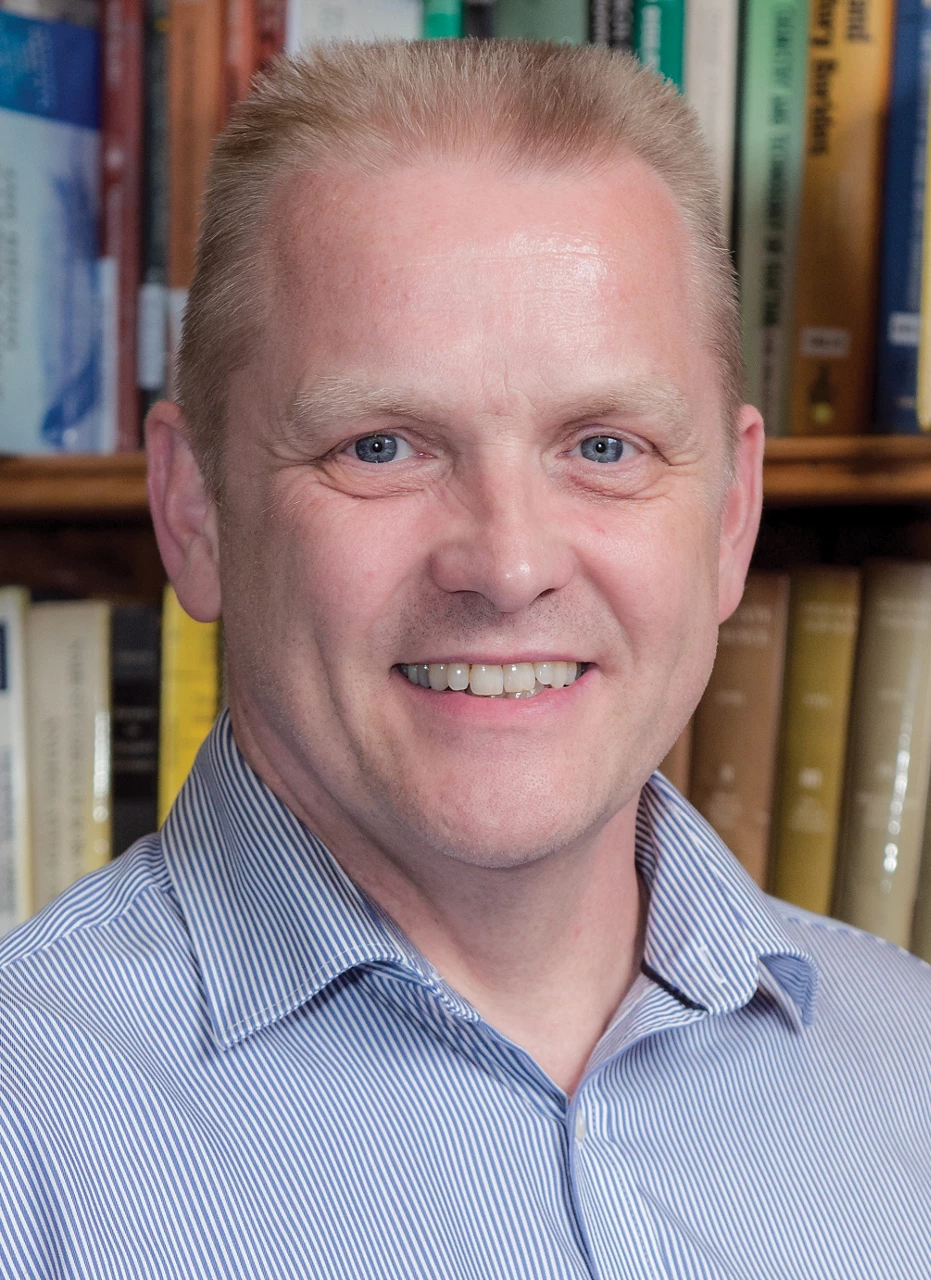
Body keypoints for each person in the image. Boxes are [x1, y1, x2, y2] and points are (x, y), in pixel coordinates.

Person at [2, 39, 930, 1280]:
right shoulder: (30, 1132)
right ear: (195, 511)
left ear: (728, 514)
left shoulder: (912, 1062)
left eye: (603, 446)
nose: (506, 564)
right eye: (381, 446)